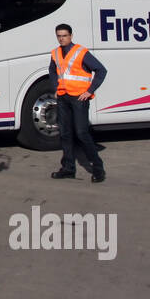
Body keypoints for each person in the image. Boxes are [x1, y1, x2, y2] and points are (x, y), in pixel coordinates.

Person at [48, 23, 108, 182]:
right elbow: (52, 71)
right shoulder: (55, 53)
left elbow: (101, 70)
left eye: (64, 35)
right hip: (63, 97)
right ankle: (68, 168)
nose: (61, 38)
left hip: (79, 98)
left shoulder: (81, 52)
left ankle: (98, 168)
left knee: (81, 133)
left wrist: (90, 90)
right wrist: (55, 87)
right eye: (59, 36)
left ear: (71, 36)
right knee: (65, 134)